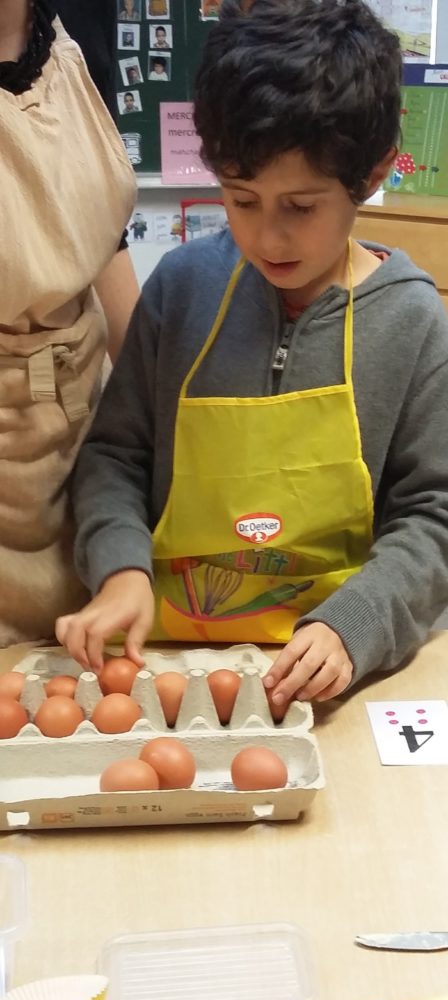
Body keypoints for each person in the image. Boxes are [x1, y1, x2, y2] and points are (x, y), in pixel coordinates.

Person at [57, 0, 448, 708]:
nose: (268, 238)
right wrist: (120, 566)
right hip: (167, 659)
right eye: (241, 200)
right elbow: (115, 457)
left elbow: (440, 514)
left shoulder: (410, 320)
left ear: (374, 173)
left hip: (330, 672)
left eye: (302, 206)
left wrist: (357, 623)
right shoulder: (181, 291)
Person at [0, 0, 139, 647]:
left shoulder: (80, 16)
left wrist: (151, 403)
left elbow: (98, 236)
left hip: (83, 438)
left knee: (83, 663)